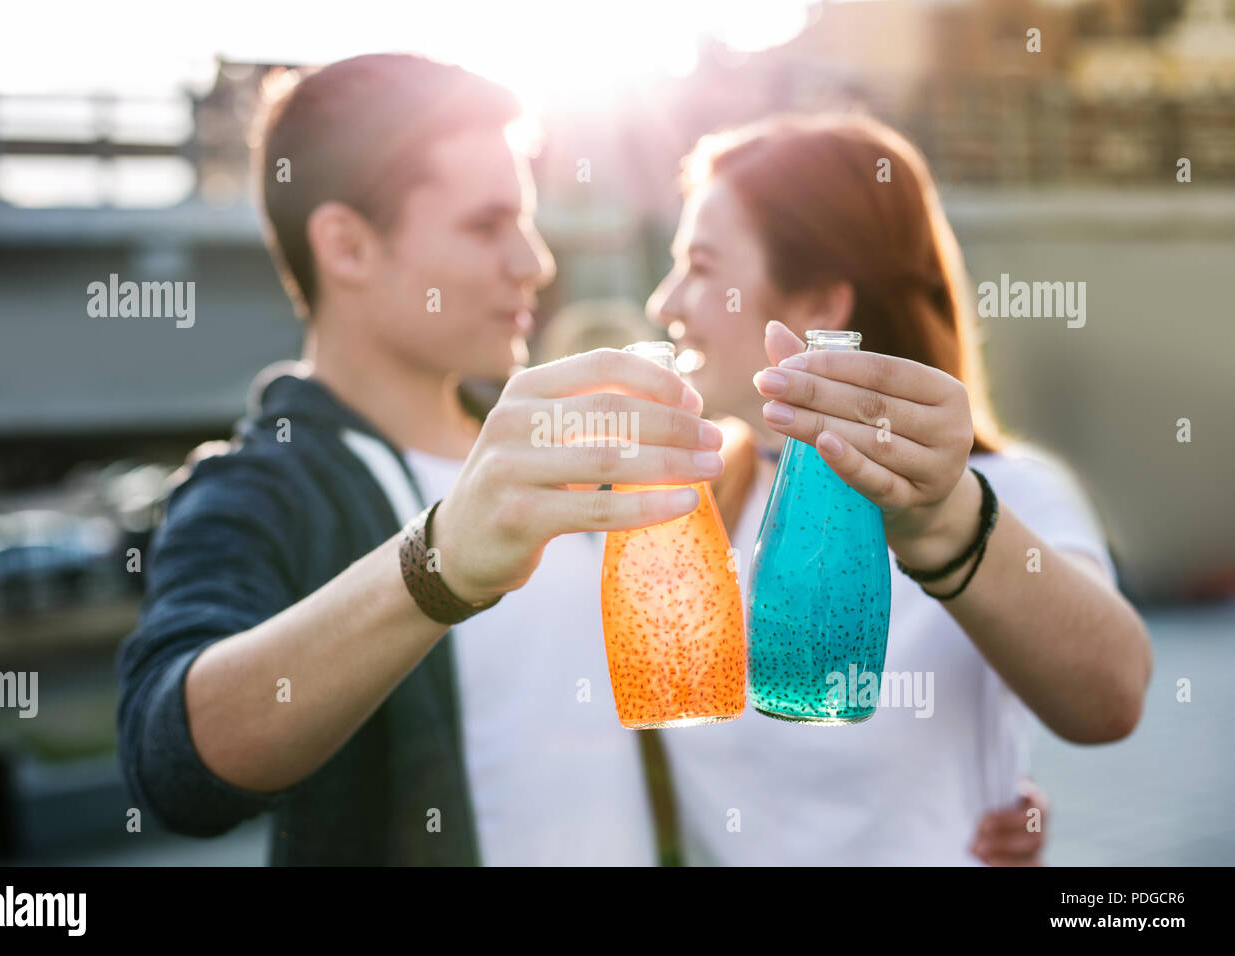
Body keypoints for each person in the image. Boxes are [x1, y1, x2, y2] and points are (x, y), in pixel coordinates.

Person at [115, 53, 726, 865]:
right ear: (348, 247)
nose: (533, 262)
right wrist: (433, 565)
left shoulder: (552, 442)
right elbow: (173, 765)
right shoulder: (258, 487)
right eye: (486, 225)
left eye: (527, 220)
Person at [643, 113, 1153, 865]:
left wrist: (945, 524)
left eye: (702, 266)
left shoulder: (1009, 493)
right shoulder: (699, 497)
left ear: (818, 306)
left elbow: (1112, 697)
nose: (665, 302)